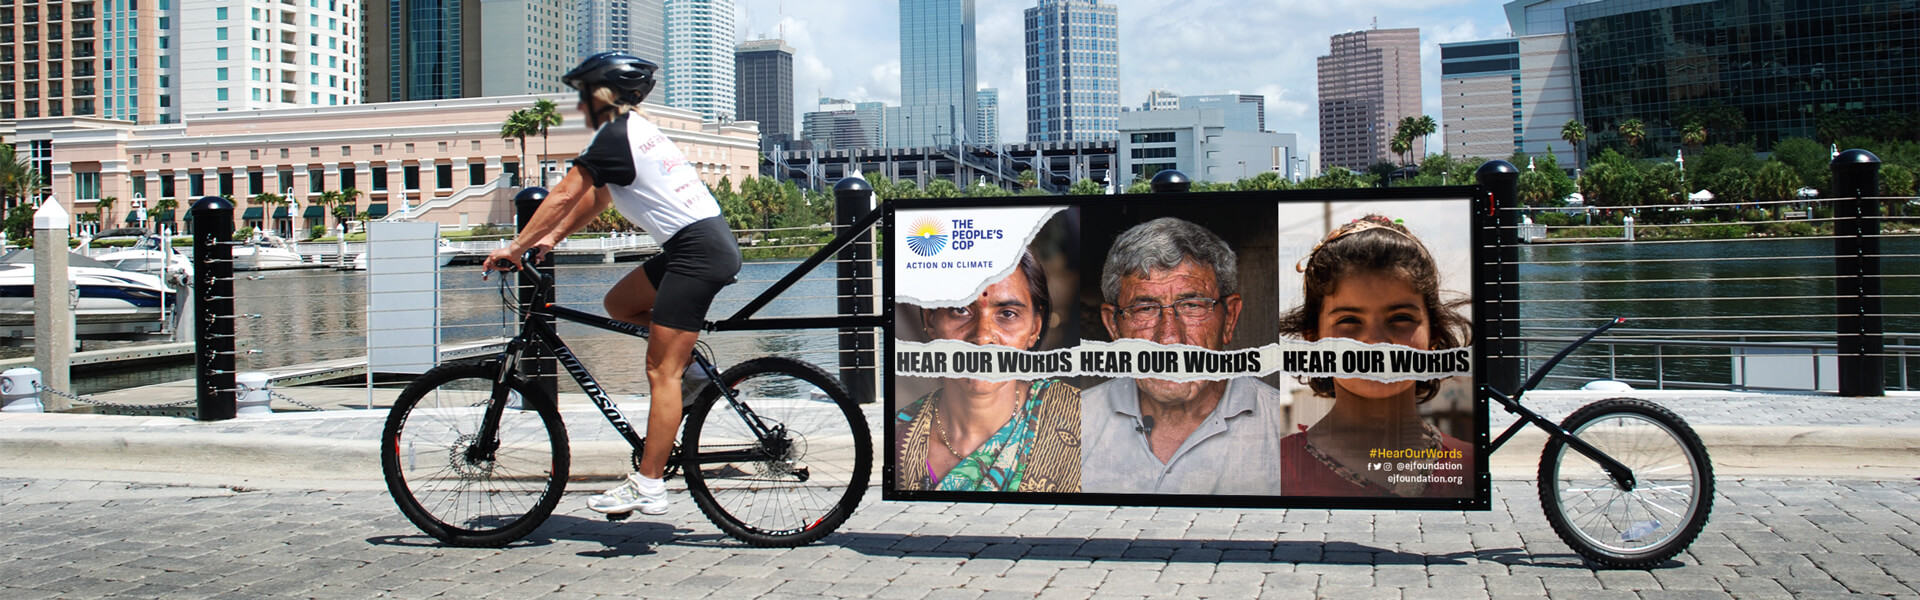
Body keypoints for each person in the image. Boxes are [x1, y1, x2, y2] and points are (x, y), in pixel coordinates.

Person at [484, 52, 743, 516]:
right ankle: (698, 376)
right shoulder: (635, 134)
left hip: (696, 253)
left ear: (606, 95)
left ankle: (648, 484)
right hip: (696, 246)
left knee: (661, 373)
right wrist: (552, 238)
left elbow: (564, 191)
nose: (581, 104)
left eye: (585, 94)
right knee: (619, 303)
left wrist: (516, 248)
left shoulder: (617, 134)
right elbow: (597, 197)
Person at [1080, 217, 1288, 495]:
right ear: (1114, 326)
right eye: (1145, 309)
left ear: (1229, 319)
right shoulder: (1071, 424)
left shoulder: (1285, 430)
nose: (1169, 338)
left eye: (1192, 306)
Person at [1278, 215, 1473, 497]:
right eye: (1349, 321)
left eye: (1401, 318)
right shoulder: (1276, 471)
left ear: (1434, 335)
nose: (1376, 343)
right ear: (1313, 340)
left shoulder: (1468, 465)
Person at [894, 250, 1081, 492]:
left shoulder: (1080, 420)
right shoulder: (900, 437)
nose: (982, 337)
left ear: (1035, 327)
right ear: (930, 320)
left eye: (1007, 314)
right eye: (960, 310)